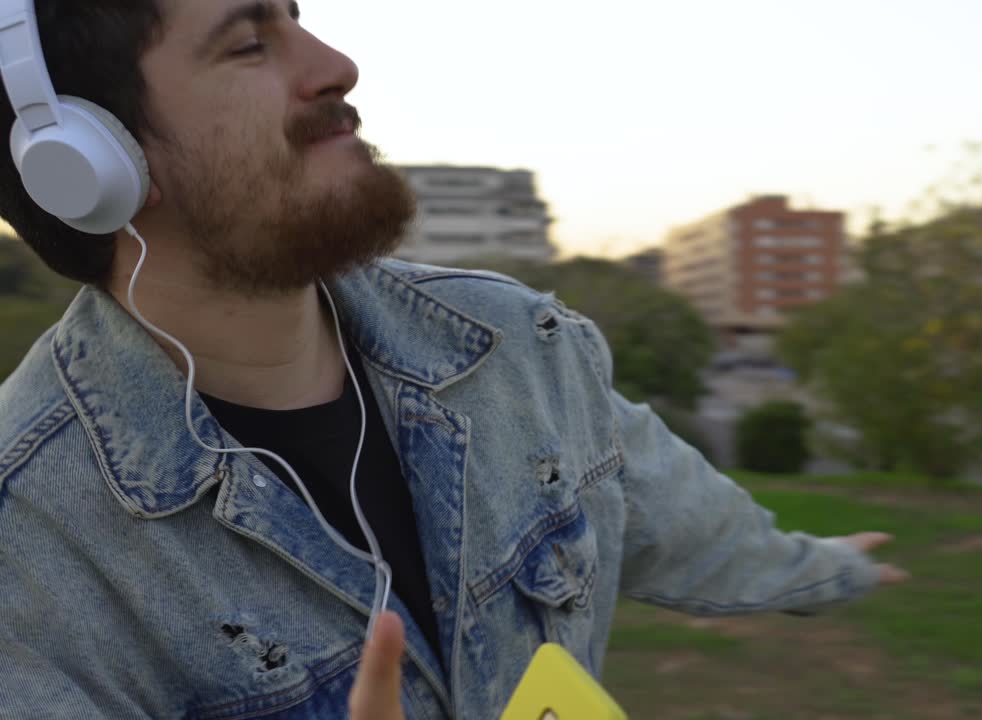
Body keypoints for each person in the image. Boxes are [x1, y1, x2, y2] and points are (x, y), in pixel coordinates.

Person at [0, 1, 907, 718]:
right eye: (249, 43)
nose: (335, 64)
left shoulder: (516, 343)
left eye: (297, 15)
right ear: (88, 163)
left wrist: (819, 567)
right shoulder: (31, 549)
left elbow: (661, 502)